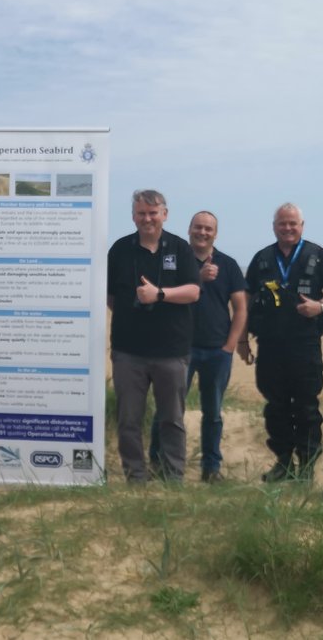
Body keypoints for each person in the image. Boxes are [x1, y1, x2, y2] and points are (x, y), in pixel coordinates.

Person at [238, 203, 323, 482]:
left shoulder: (317, 255)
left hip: (305, 346)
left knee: (307, 407)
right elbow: (245, 300)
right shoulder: (262, 258)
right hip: (269, 346)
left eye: (292, 224)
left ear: (302, 226)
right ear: (274, 226)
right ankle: (283, 463)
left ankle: (307, 466)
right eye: (282, 223)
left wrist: (320, 307)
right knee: (275, 406)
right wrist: (241, 339)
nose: (287, 228)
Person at [107, 190, 200, 484]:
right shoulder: (120, 249)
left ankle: (173, 477)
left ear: (165, 214)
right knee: (129, 420)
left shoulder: (181, 248)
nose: (147, 218)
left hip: (171, 351)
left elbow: (193, 292)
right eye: (141, 213)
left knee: (172, 419)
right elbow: (111, 296)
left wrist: (159, 295)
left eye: (152, 212)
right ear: (133, 216)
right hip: (128, 352)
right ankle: (135, 476)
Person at [147, 211, 246, 483]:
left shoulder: (229, 264)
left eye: (208, 229)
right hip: (180, 349)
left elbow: (240, 308)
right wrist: (198, 277)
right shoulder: (173, 260)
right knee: (169, 410)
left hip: (217, 351)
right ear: (189, 229)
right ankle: (158, 463)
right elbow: (162, 297)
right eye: (198, 227)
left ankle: (211, 468)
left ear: (216, 233)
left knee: (213, 413)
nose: (202, 233)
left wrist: (230, 346)